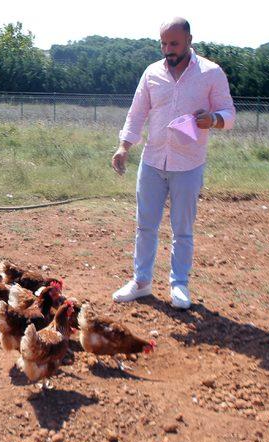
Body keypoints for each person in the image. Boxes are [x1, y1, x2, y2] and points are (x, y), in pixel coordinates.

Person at [111, 17, 235, 309]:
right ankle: (141, 282)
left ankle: (179, 285)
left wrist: (214, 120)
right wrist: (123, 147)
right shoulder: (152, 73)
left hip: (189, 164)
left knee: (182, 230)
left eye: (174, 43)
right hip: (153, 161)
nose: (168, 49)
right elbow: (137, 113)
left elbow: (229, 113)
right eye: (164, 43)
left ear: (190, 40)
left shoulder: (211, 73)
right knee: (145, 226)